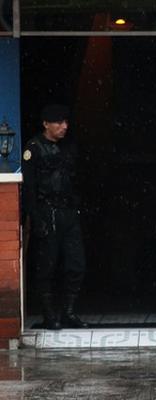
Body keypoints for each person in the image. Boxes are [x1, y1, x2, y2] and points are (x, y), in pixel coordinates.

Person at [22, 104, 88, 330]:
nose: (64, 127)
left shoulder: (68, 147)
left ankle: (68, 312)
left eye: (66, 122)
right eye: (59, 122)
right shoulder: (34, 148)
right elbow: (29, 188)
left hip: (68, 212)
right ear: (46, 124)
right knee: (46, 266)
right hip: (46, 212)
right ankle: (50, 316)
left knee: (76, 264)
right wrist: (35, 217)